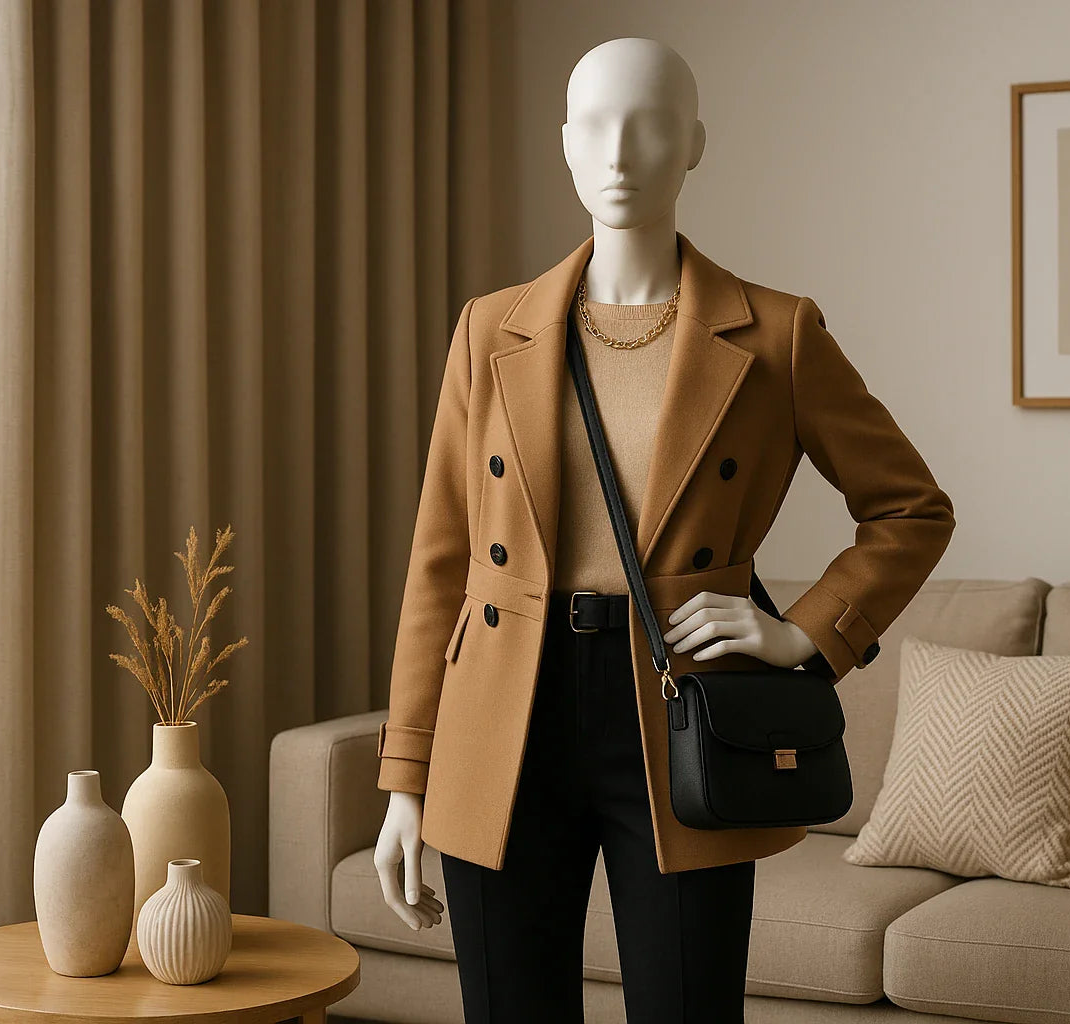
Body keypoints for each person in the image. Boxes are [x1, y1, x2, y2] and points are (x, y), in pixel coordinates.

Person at [371, 36, 955, 1024]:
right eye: (596, 126)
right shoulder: (491, 327)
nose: (619, 152)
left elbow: (911, 508)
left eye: (649, 125)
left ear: (694, 144)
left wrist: (803, 635)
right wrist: (405, 780)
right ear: (564, 142)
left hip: (680, 702)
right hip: (503, 709)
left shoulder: (775, 333)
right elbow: (442, 564)